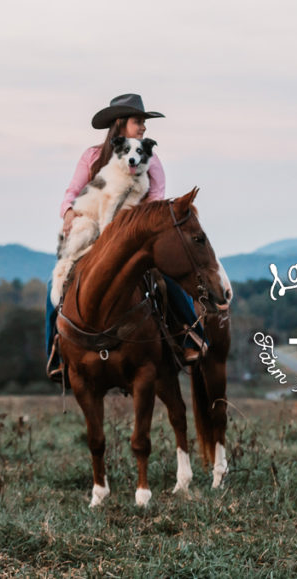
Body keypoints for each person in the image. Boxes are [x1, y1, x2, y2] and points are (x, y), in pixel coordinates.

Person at [45, 93, 207, 382]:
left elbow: (157, 199)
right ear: (120, 124)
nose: (143, 127)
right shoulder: (92, 156)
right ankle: (57, 353)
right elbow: (72, 191)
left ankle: (189, 337)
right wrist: (69, 211)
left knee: (167, 278)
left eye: (144, 122)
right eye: (138, 121)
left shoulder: (149, 158)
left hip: (134, 238)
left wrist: (133, 224)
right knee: (54, 286)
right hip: (92, 233)